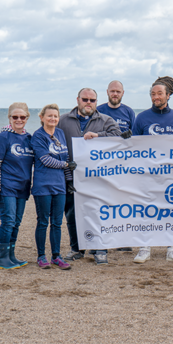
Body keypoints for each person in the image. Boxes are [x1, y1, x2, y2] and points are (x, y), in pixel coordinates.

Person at [59, 88, 122, 266]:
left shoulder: (105, 120)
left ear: (96, 102)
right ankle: (76, 248)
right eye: (85, 99)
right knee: (72, 214)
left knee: (97, 214)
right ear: (77, 99)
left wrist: (98, 135)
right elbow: (51, 138)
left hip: (97, 178)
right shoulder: (63, 120)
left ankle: (100, 249)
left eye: (92, 100)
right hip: (70, 177)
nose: (88, 103)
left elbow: (119, 138)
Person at [131, 76, 173, 263]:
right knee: (146, 211)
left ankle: (172, 248)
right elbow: (132, 146)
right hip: (148, 174)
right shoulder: (141, 118)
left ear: (168, 95)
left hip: (172, 175)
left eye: (159, 94)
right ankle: (144, 248)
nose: (156, 97)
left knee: (171, 211)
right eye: (153, 94)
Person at [0, 102, 35, 269]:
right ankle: (2, 259)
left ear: (27, 118)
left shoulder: (29, 139)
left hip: (23, 189)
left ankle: (11, 255)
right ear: (9, 118)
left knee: (16, 222)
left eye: (22, 117)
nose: (19, 119)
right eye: (15, 117)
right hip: (7, 187)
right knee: (8, 221)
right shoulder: (3, 137)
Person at [31, 103, 76, 270]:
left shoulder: (60, 133)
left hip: (60, 187)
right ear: (42, 117)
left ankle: (56, 256)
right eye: (49, 116)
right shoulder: (37, 136)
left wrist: (69, 181)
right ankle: (41, 256)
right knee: (43, 222)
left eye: (55, 116)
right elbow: (46, 160)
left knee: (57, 223)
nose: (53, 119)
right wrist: (66, 165)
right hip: (43, 186)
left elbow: (66, 157)